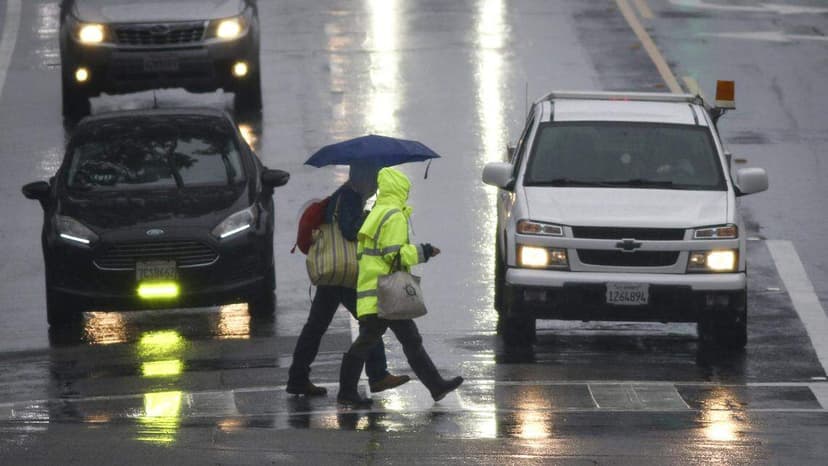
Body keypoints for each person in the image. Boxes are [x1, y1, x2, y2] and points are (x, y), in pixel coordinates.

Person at [337, 167, 463, 406]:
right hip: (385, 292)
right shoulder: (393, 215)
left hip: (377, 290)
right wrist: (424, 251)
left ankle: (436, 386)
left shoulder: (377, 212)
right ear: (400, 189)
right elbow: (394, 254)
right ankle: (346, 393)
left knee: (409, 338)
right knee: (368, 341)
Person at [286, 163, 410, 396]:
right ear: (364, 179)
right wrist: (371, 219)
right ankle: (376, 376)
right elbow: (350, 230)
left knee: (315, 328)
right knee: (370, 321)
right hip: (344, 273)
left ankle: (297, 378)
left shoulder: (344, 196)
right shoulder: (350, 197)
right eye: (374, 182)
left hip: (334, 272)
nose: (375, 188)